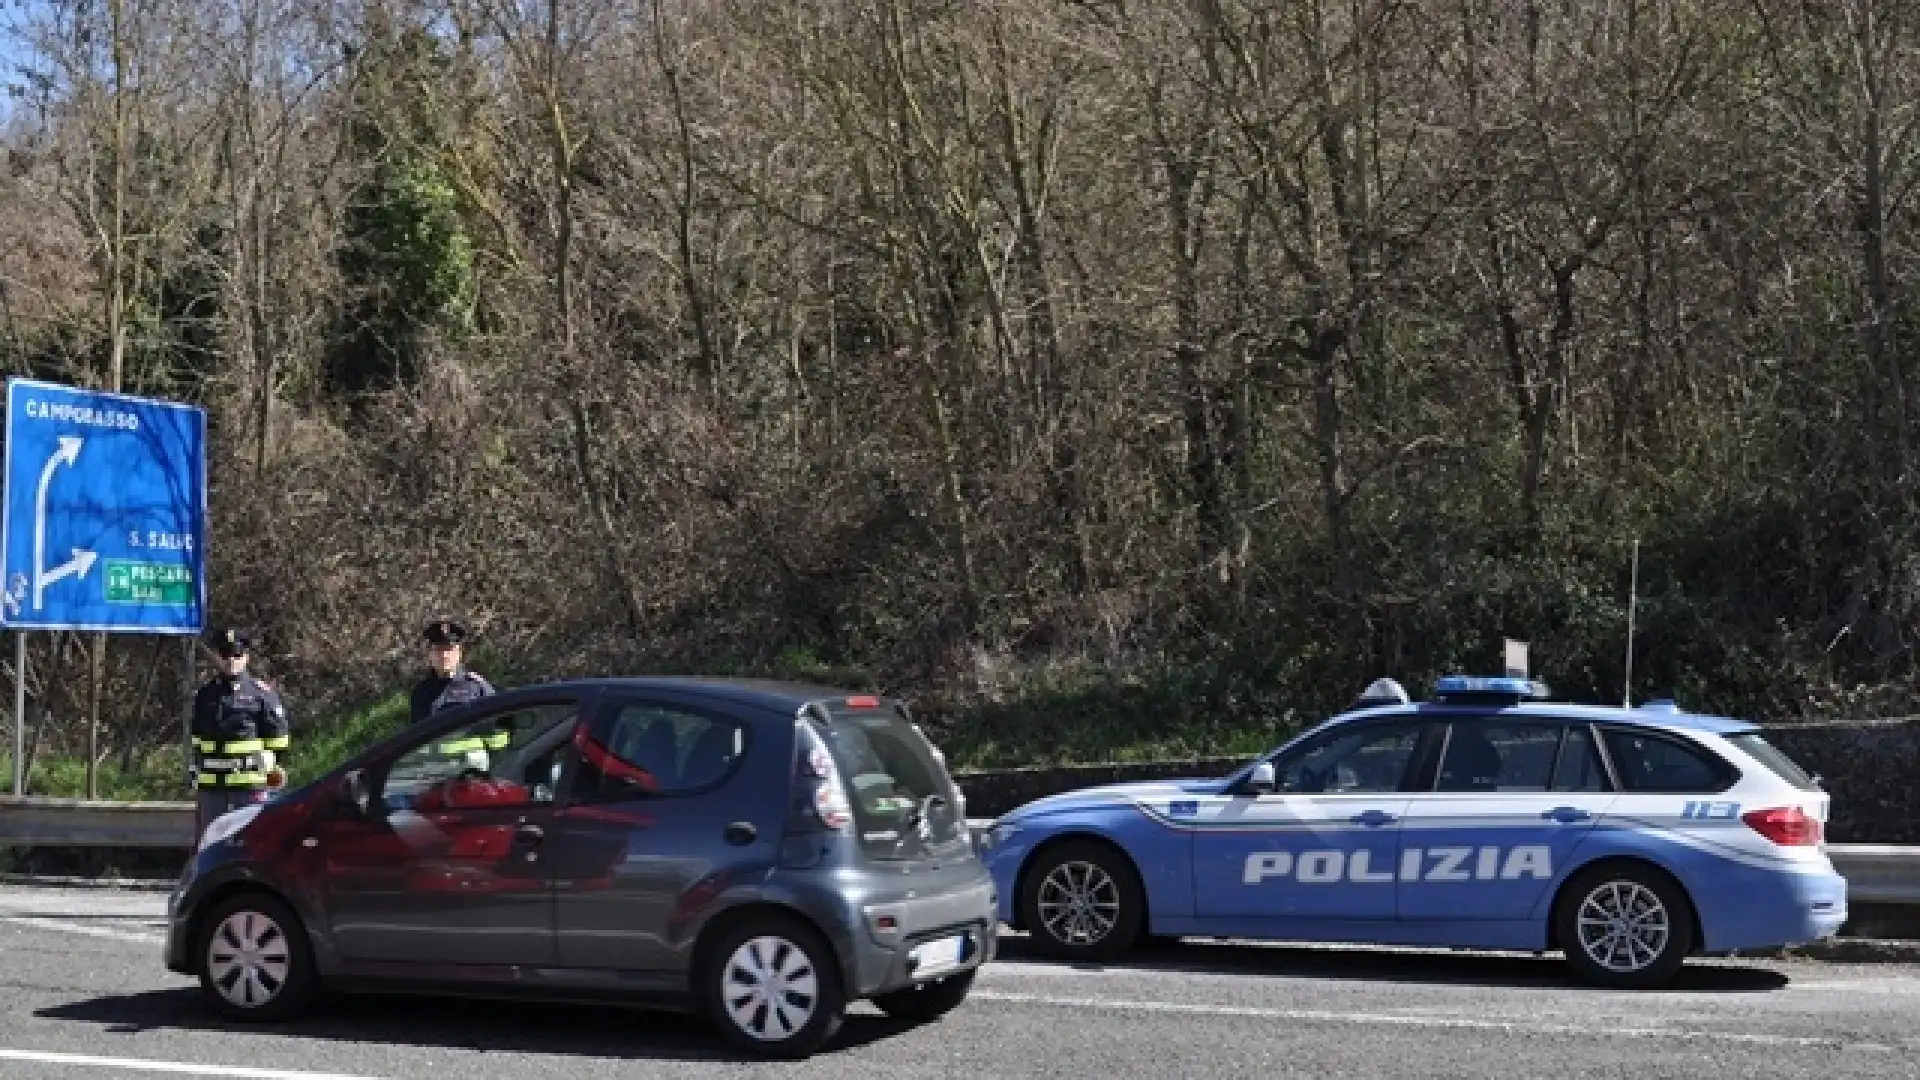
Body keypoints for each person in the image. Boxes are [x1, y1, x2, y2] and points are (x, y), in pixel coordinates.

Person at [190, 628, 289, 838]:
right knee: (208, 845)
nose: (231, 660)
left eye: (237, 655)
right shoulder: (205, 695)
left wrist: (267, 762)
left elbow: (279, 741)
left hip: (249, 786)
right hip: (211, 787)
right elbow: (197, 738)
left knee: (252, 842)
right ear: (216, 656)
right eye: (225, 655)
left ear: (246, 657)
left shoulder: (260, 694)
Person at [409, 617, 496, 724]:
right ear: (430, 654)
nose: (444, 655)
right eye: (438, 650)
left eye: (449, 649)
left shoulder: (478, 686)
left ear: (459, 653)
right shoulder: (421, 692)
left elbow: (494, 724)